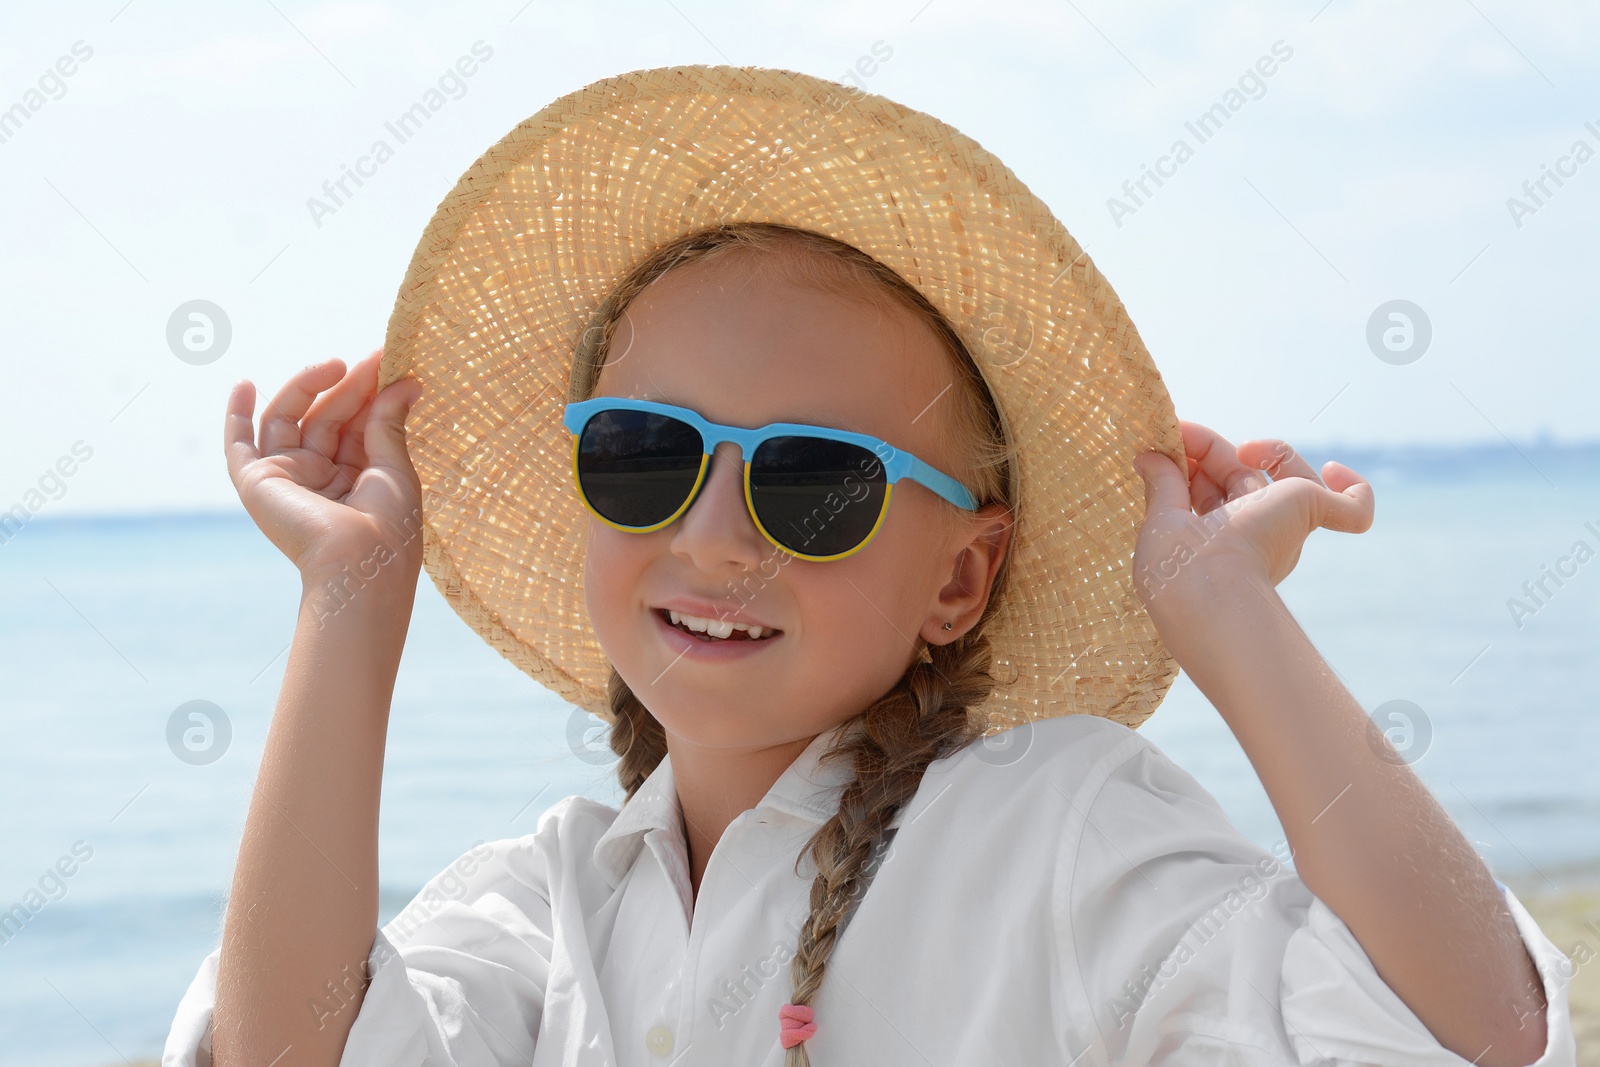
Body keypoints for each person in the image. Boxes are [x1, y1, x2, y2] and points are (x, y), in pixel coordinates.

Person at [164, 66, 1575, 1066]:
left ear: (962, 580)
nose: (711, 535)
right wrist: (348, 606)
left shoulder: (1054, 835)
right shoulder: (543, 909)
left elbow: (1477, 1033)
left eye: (817, 483)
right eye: (648, 454)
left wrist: (1226, 614)